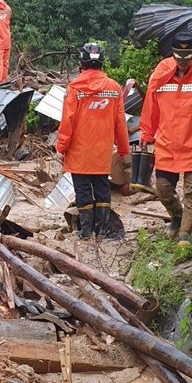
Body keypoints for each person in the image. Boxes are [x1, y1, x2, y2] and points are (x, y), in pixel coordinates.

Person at [56, 42, 130, 239]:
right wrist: (123, 150)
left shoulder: (75, 88)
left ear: (82, 62)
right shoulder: (114, 88)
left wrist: (61, 147)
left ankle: (86, 231)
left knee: (83, 191)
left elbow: (67, 122)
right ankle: (102, 229)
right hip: (102, 152)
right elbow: (120, 124)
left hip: (79, 152)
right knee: (102, 189)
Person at [139, 34, 192, 247]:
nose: (183, 62)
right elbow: (151, 107)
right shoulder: (161, 75)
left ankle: (185, 234)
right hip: (167, 144)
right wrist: (146, 134)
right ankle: (177, 216)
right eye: (179, 57)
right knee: (163, 189)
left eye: (187, 57)